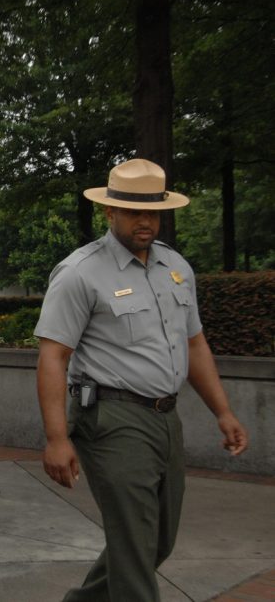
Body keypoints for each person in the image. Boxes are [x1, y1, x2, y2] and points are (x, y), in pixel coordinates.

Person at [35, 158, 249, 602]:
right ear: (109, 212)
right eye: (133, 211)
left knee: (155, 541)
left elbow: (195, 345)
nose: (145, 221)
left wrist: (223, 412)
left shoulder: (175, 267)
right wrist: (57, 438)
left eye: (152, 212)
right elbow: (53, 356)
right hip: (111, 420)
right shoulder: (80, 273)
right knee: (135, 547)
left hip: (165, 419)